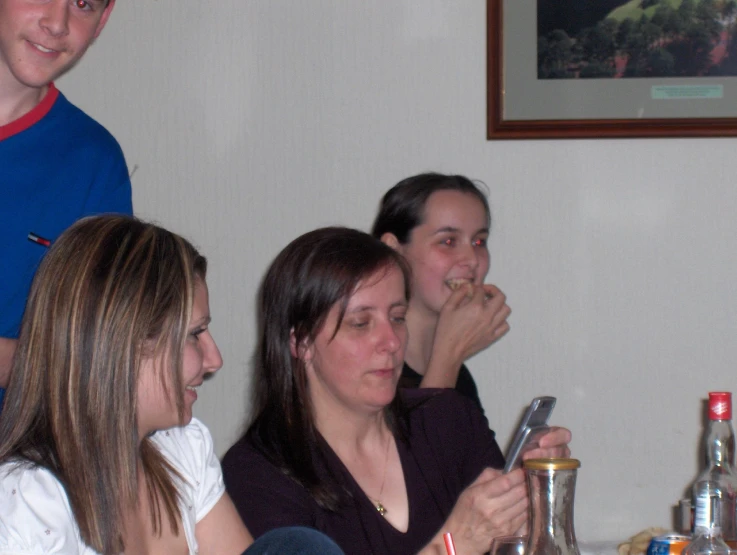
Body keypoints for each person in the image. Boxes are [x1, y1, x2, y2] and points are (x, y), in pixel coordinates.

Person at [0, 216, 343, 555]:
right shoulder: (29, 505)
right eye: (195, 334)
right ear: (124, 343)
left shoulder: (180, 450)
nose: (214, 360)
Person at [222, 227, 571, 555]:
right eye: (361, 324)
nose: (390, 342)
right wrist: (455, 543)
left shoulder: (448, 420)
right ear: (300, 342)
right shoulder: (258, 473)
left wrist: (537, 494)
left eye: (398, 317)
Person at [0, 0, 133, 407]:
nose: (57, 23)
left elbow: (95, 362)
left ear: (102, 20)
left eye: (82, 4)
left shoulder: (94, 162)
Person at [371, 172, 511, 411]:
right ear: (394, 250)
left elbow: (454, 449)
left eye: (479, 242)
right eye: (448, 241)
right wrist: (450, 355)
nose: (472, 260)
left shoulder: (459, 375)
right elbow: (418, 447)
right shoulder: (372, 367)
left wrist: (524, 449)